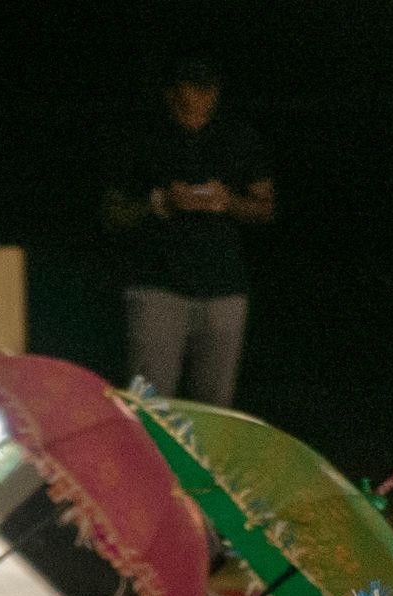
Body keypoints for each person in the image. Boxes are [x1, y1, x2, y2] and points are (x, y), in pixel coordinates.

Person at [102, 60, 275, 408]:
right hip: (156, 288)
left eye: (208, 87)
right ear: (171, 91)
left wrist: (228, 201)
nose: (201, 95)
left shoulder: (238, 136)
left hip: (224, 288)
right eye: (192, 86)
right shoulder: (143, 136)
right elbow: (111, 214)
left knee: (215, 408)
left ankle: (201, 464)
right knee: (151, 405)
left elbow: (265, 207)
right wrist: (160, 200)